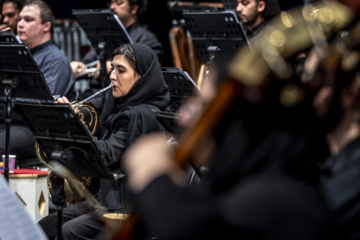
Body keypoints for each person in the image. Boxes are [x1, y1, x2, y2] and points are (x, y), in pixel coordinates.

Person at [119, 2, 358, 239]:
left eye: (204, 105)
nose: (183, 116)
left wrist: (154, 175)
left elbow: (193, 230)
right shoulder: (245, 183)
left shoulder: (279, 197)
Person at [38, 42, 170, 240]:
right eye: (112, 69)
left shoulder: (140, 115)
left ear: (141, 77)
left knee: (68, 231)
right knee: (46, 225)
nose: (112, 76)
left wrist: (74, 126)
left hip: (128, 206)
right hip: (108, 199)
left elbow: (105, 155)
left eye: (121, 71)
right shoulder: (121, 106)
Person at [0, 0, 75, 163]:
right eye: (20, 19)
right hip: (12, 122)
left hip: (38, 131)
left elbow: (38, 108)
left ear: (46, 26)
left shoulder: (55, 60)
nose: (20, 24)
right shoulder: (19, 54)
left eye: (28, 20)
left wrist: (5, 102)